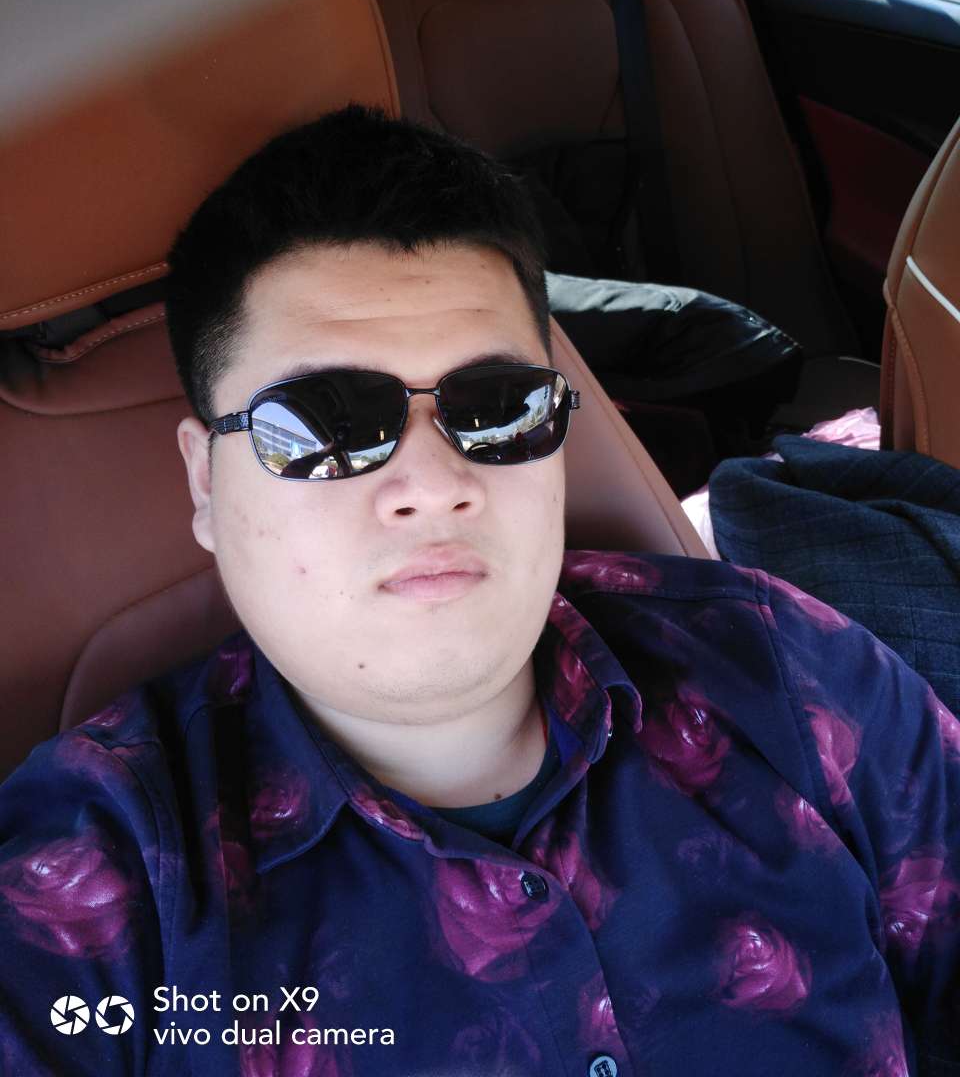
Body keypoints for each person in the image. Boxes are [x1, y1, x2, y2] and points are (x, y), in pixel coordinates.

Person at [0, 105, 957, 1077]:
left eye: (498, 408)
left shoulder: (783, 670)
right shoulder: (99, 876)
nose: (435, 484)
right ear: (206, 483)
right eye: (325, 425)